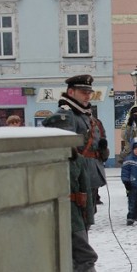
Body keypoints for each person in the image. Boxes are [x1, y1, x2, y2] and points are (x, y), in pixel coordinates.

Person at [43, 130, 117, 272]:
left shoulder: (79, 161)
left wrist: (88, 220)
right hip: (47, 218)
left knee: (85, 257)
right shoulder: (44, 163)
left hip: (74, 218)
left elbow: (86, 192)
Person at [42, 75, 109, 214]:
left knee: (87, 218)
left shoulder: (84, 115)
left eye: (89, 93)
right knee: (78, 222)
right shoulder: (66, 115)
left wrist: (101, 150)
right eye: (83, 93)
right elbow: (66, 151)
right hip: (77, 178)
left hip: (89, 174)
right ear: (71, 92)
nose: (87, 96)